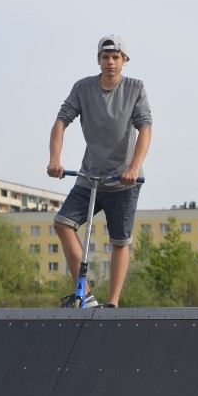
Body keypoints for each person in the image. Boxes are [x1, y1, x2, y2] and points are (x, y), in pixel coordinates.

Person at [47, 35, 153, 308]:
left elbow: (145, 128)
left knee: (119, 240)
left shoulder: (135, 88)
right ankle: (86, 293)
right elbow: (61, 122)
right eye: (105, 57)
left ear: (124, 61)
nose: (110, 62)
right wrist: (55, 159)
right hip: (90, 179)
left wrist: (133, 167)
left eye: (116, 57)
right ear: (98, 60)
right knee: (63, 222)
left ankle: (113, 303)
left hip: (123, 181)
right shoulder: (83, 88)